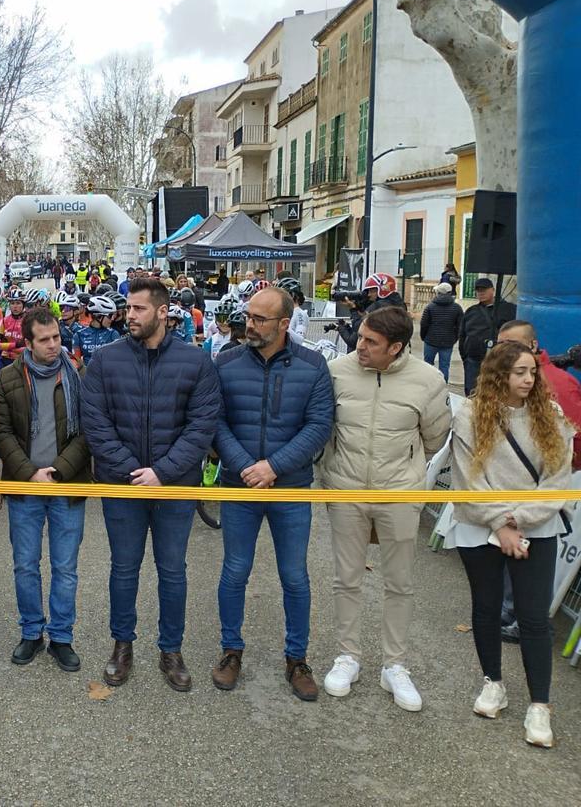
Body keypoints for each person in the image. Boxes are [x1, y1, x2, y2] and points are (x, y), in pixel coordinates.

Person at [80, 277, 222, 692]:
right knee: (123, 570)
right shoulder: (106, 361)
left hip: (174, 487)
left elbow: (201, 427)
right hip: (122, 487)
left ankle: (170, 649)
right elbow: (95, 422)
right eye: (128, 308)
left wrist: (162, 472)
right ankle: (122, 645)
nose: (130, 316)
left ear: (163, 312)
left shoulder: (196, 363)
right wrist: (131, 471)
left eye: (139, 309)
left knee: (172, 570)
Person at [319, 307, 451, 712]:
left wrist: (405, 471)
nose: (360, 346)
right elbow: (323, 426)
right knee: (347, 578)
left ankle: (394, 665)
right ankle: (348, 656)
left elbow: (435, 437)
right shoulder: (336, 371)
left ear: (395, 348)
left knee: (400, 582)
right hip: (345, 490)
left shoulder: (429, 380)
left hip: (399, 494)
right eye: (360, 337)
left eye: (371, 342)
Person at [446, 341, 571, 748]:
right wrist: (501, 524)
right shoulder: (469, 416)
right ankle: (493, 683)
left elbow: (557, 479)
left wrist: (519, 520)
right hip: (481, 525)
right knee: (485, 607)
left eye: (532, 372)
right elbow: (468, 479)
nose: (529, 379)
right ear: (500, 374)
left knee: (535, 617)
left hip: (535, 527)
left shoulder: (550, 415)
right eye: (519, 372)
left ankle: (540, 705)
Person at [211, 288, 334, 701]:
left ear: (285, 323)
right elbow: (215, 421)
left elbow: (319, 426)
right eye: (248, 316)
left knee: (295, 576)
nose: (249, 324)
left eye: (260, 319)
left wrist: (274, 467)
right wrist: (247, 466)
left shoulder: (313, 366)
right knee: (234, 571)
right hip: (238, 485)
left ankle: (296, 658)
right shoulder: (225, 362)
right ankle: (231, 650)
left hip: (292, 488)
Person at [0, 308, 90, 672]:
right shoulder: (6, 379)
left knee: (65, 567)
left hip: (67, 485)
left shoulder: (79, 374)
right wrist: (30, 473)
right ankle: (32, 632)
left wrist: (61, 471)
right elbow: (2, 434)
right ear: (29, 343)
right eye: (45, 340)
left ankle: (61, 637)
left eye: (57, 338)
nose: (54, 345)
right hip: (25, 487)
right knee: (25, 565)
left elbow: (88, 431)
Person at [498, 320, 581, 468]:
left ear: (533, 345)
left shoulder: (558, 383)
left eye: (512, 344)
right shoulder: (495, 377)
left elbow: (576, 439)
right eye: (500, 344)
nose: (505, 350)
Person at [460, 278, 517, 395]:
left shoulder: (509, 309)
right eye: (478, 290)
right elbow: (462, 335)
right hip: (474, 361)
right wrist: (465, 357)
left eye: (484, 289)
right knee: (472, 393)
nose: (481, 293)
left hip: (498, 361)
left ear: (493, 290)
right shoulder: (471, 311)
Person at [420, 282, 464, 382]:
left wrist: (424, 337)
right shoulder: (457, 308)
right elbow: (460, 326)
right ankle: (443, 386)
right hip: (448, 341)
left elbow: (424, 324)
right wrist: (454, 338)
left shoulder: (430, 307)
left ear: (438, 293)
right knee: (444, 366)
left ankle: (428, 384)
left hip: (430, 340)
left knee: (427, 365)